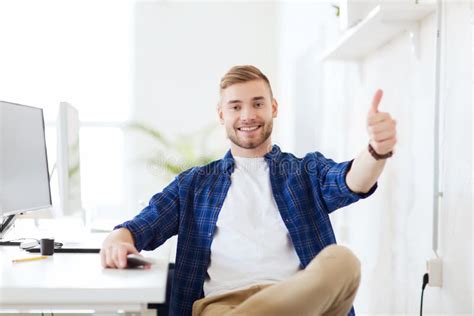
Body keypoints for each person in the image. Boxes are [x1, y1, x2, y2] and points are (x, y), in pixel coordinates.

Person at [100, 65, 397, 316]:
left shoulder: (305, 172)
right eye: (235, 106)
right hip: (223, 306)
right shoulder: (195, 184)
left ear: (273, 108)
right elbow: (141, 226)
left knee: (343, 261)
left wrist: (376, 150)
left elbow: (351, 181)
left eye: (257, 103)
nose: (247, 115)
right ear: (221, 115)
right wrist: (117, 239)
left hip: (298, 300)